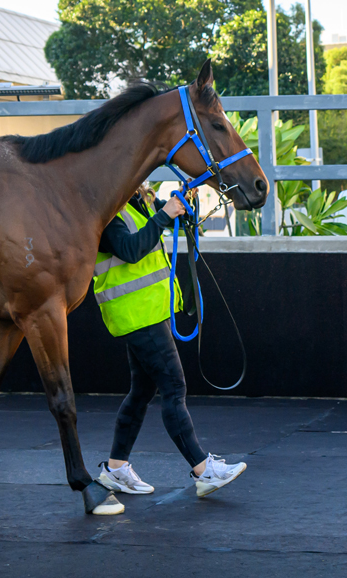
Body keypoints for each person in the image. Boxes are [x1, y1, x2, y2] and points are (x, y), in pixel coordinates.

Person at [94, 184, 246, 498]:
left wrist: (177, 206)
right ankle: (203, 469)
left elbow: (161, 228)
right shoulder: (108, 208)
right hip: (137, 313)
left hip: (146, 310)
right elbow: (131, 250)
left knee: (142, 390)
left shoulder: (137, 201)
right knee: (173, 387)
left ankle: (116, 468)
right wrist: (164, 214)